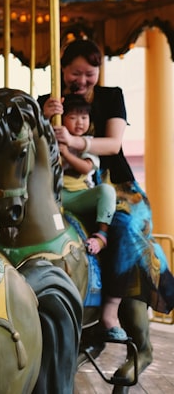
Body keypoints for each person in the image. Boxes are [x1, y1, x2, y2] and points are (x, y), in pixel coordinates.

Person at [40, 38, 174, 335]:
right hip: (62, 186)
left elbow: (113, 144)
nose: (83, 81)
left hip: (114, 183)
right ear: (62, 70)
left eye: (90, 73)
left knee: (124, 225)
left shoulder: (111, 97)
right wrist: (45, 117)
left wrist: (75, 142)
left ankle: (112, 310)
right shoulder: (48, 101)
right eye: (76, 73)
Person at [58, 94, 124, 340]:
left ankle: (102, 234)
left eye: (83, 117)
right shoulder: (53, 140)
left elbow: (87, 168)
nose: (78, 122)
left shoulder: (86, 142)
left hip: (78, 197)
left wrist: (67, 152)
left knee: (106, 191)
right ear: (62, 119)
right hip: (56, 198)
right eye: (73, 116)